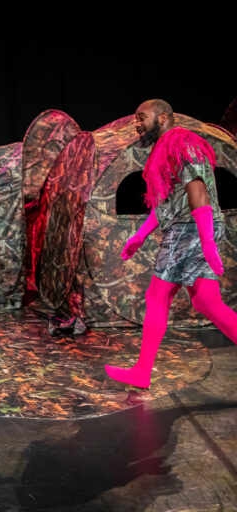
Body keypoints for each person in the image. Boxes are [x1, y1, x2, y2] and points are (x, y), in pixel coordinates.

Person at [105, 99, 237, 388]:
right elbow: (166, 202)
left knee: (157, 297)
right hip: (187, 227)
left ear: (163, 118)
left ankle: (141, 372)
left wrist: (207, 242)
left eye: (142, 117)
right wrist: (139, 237)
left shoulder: (182, 142)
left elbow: (197, 191)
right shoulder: (165, 149)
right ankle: (141, 371)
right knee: (207, 302)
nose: (136, 124)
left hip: (191, 228)